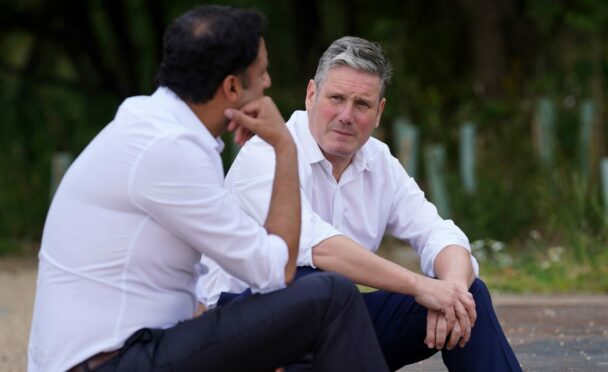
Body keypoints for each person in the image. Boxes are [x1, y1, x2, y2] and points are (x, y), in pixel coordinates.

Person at [27, 7, 389, 372]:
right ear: (232, 87)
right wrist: (284, 146)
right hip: (112, 362)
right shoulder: (170, 151)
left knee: (290, 326)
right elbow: (273, 269)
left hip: (133, 348)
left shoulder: (152, 124)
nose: (268, 83)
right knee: (330, 296)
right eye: (261, 72)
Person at [197, 36, 523, 371]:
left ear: (379, 111)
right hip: (240, 326)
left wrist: (452, 291)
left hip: (328, 319)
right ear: (311, 95)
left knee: (471, 298)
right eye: (336, 98)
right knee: (320, 285)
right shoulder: (268, 151)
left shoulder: (377, 160)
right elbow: (318, 248)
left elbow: (438, 233)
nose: (346, 115)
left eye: (362, 104)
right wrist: (421, 285)